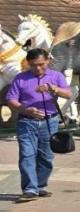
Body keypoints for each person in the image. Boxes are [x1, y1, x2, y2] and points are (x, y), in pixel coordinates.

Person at [6, 47, 72, 202]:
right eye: (34, 65)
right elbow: (11, 99)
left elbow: (68, 94)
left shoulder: (56, 76)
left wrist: (53, 88)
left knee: (46, 156)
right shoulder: (20, 78)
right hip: (26, 122)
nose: (38, 68)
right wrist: (25, 109)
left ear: (48, 61)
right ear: (28, 63)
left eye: (41, 64)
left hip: (50, 121)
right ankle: (30, 189)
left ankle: (40, 185)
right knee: (27, 155)